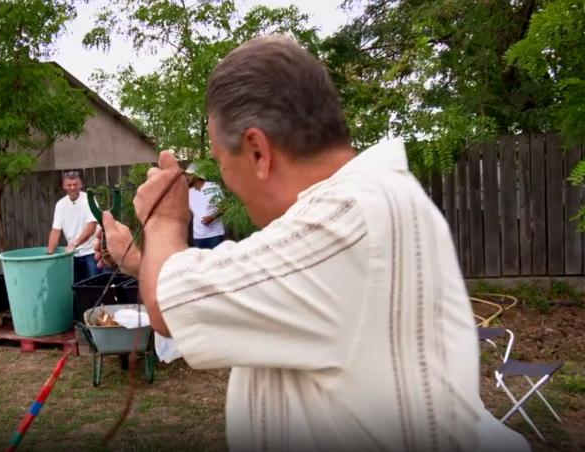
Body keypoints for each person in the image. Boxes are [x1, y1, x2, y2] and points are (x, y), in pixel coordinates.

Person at [95, 36, 529, 451]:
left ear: (258, 151)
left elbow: (174, 306)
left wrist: (167, 219)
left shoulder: (346, 222)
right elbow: (234, 295)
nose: (223, 179)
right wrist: (139, 261)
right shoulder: (368, 206)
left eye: (222, 162)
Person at [47, 170, 100, 283]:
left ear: (81, 185)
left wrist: (74, 244)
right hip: (72, 255)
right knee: (75, 290)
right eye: (69, 185)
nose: (72, 188)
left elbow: (91, 227)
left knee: (94, 287)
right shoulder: (60, 205)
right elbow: (56, 231)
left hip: (91, 253)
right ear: (64, 186)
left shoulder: (89, 200)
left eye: (75, 184)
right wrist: (49, 255)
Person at [185, 162, 225, 249]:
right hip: (198, 236)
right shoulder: (189, 193)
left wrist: (213, 217)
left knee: (216, 261)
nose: (186, 177)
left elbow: (224, 206)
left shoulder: (213, 187)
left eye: (189, 175)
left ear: (196, 174)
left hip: (215, 234)